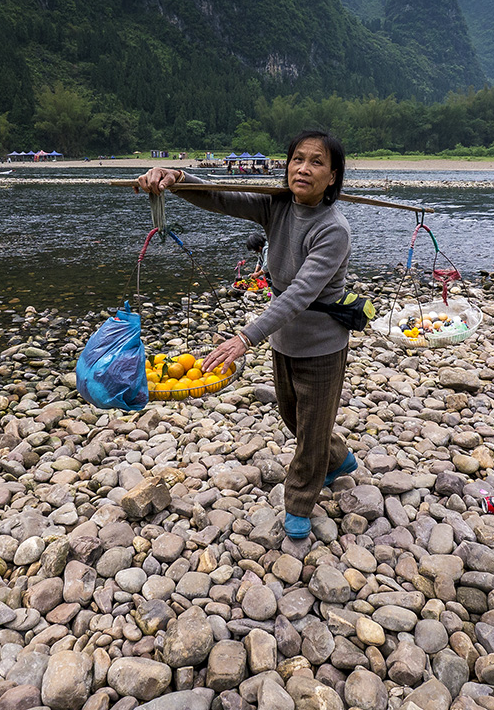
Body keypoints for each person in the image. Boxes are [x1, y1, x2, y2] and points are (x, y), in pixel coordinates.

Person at [137, 130, 358, 540]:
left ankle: (299, 501)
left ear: (332, 176)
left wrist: (244, 338)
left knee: (310, 434)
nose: (304, 168)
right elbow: (221, 197)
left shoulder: (333, 229)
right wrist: (177, 177)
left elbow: (298, 294)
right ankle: (339, 458)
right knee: (295, 418)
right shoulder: (276, 206)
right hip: (283, 340)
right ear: (287, 164)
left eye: (316, 162)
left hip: (322, 344)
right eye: (298, 159)